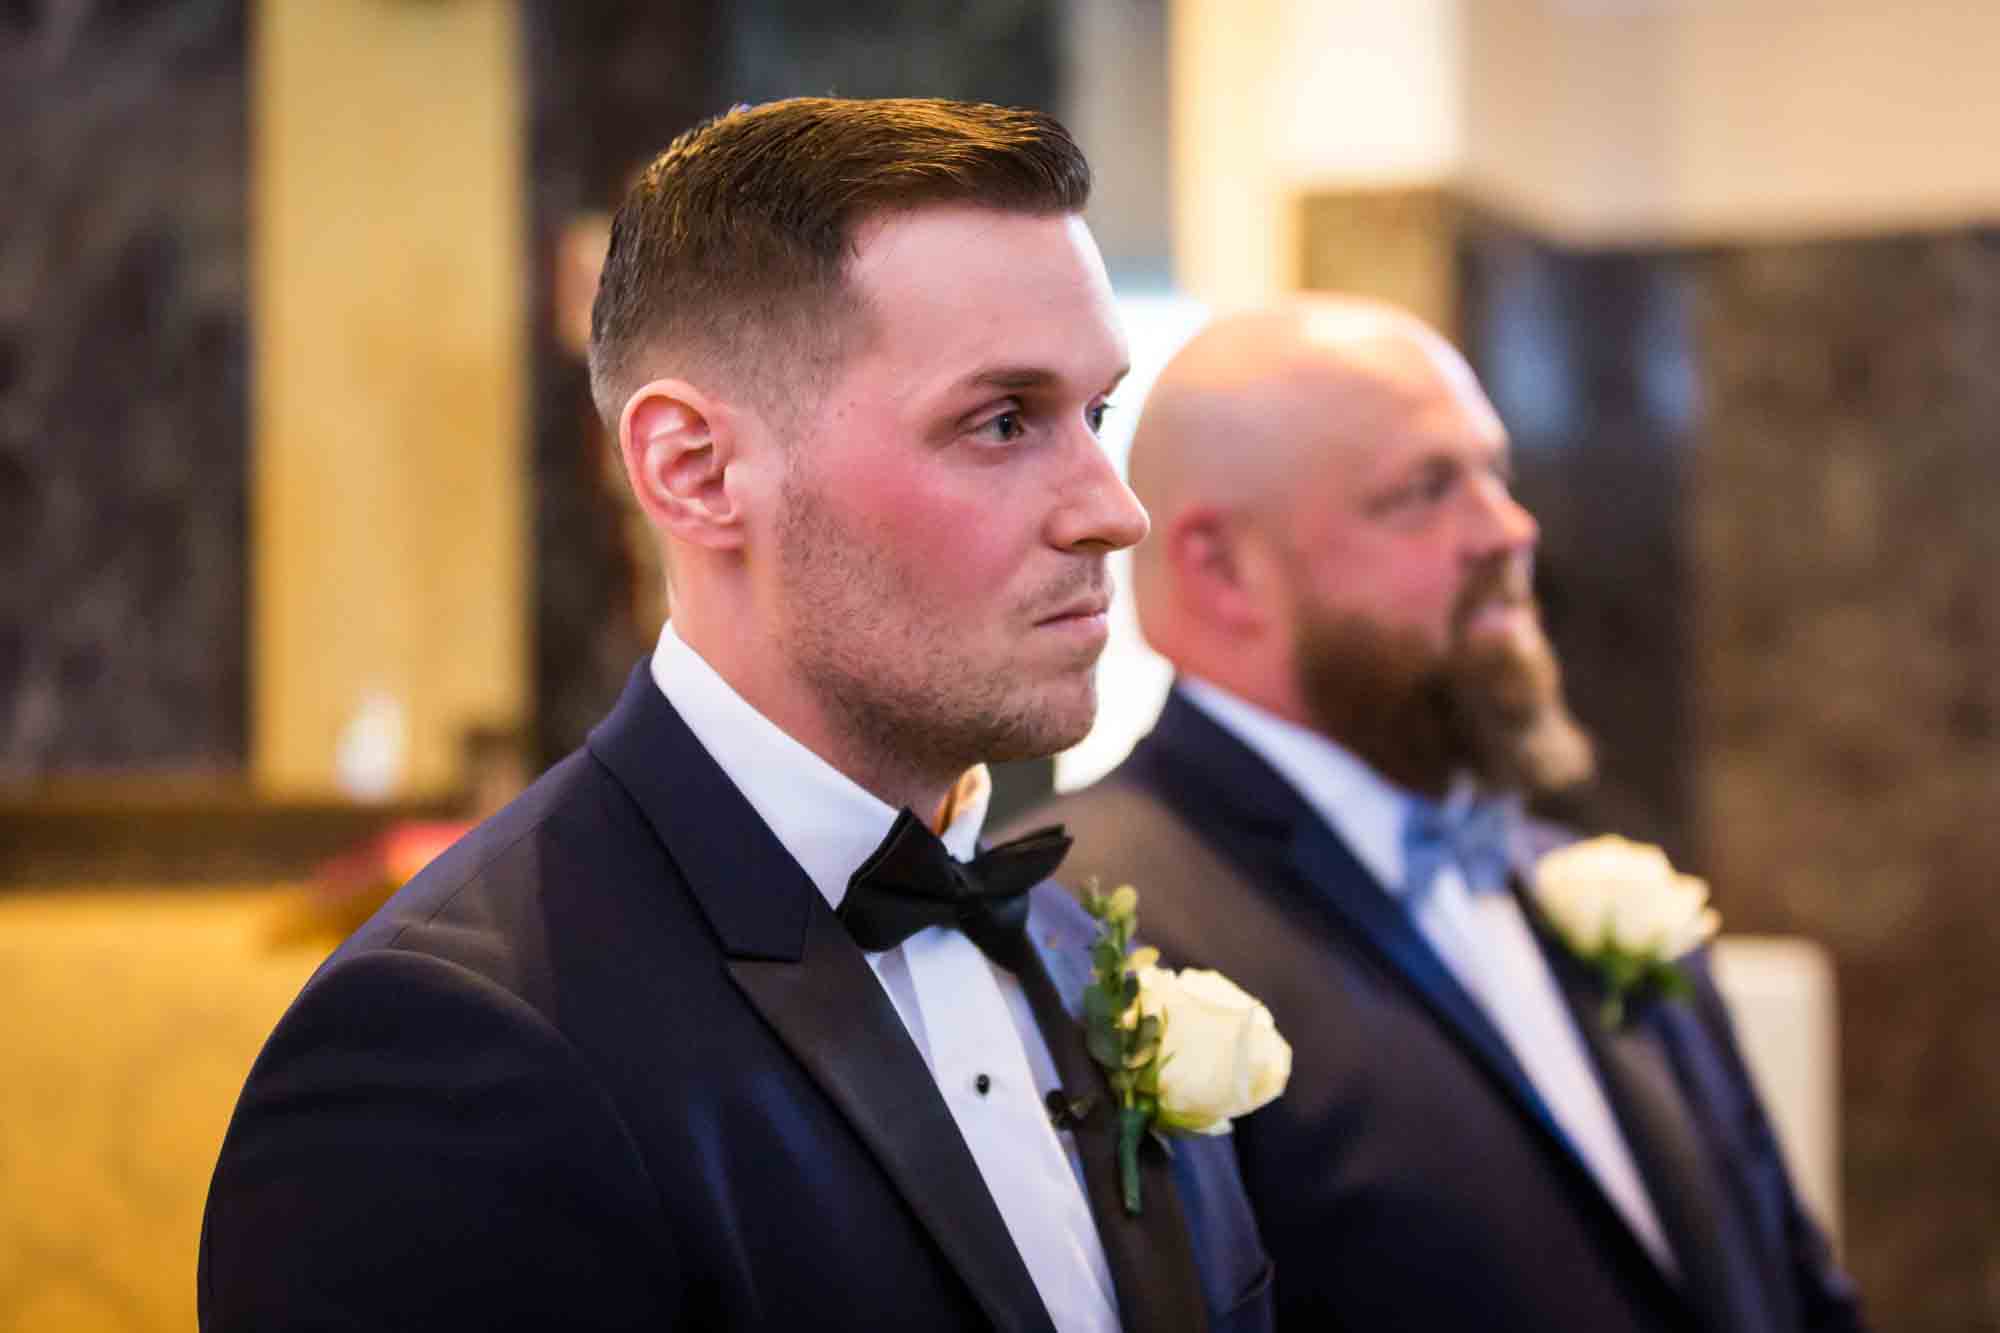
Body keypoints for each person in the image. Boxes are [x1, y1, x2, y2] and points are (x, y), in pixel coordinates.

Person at [198, 98, 1272, 1333]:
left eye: (1093, 417)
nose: (1110, 511)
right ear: (695, 472)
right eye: (1000, 422)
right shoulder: (452, 1054)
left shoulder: (1082, 954)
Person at [1013, 298, 1865, 1332]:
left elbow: (1789, 1282)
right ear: (1220, 567)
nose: (1508, 529)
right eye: (1423, 491)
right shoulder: (1078, 921)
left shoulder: (1573, 877)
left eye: (1492, 473)